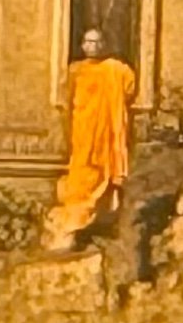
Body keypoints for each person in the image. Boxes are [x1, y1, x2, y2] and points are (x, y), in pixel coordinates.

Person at [44, 28, 136, 251]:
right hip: (83, 133)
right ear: (82, 45)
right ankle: (72, 225)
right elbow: (67, 102)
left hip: (106, 134)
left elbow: (130, 88)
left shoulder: (116, 70)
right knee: (81, 176)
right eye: (88, 42)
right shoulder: (75, 71)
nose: (92, 46)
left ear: (103, 45)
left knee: (101, 176)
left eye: (97, 42)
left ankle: (90, 227)